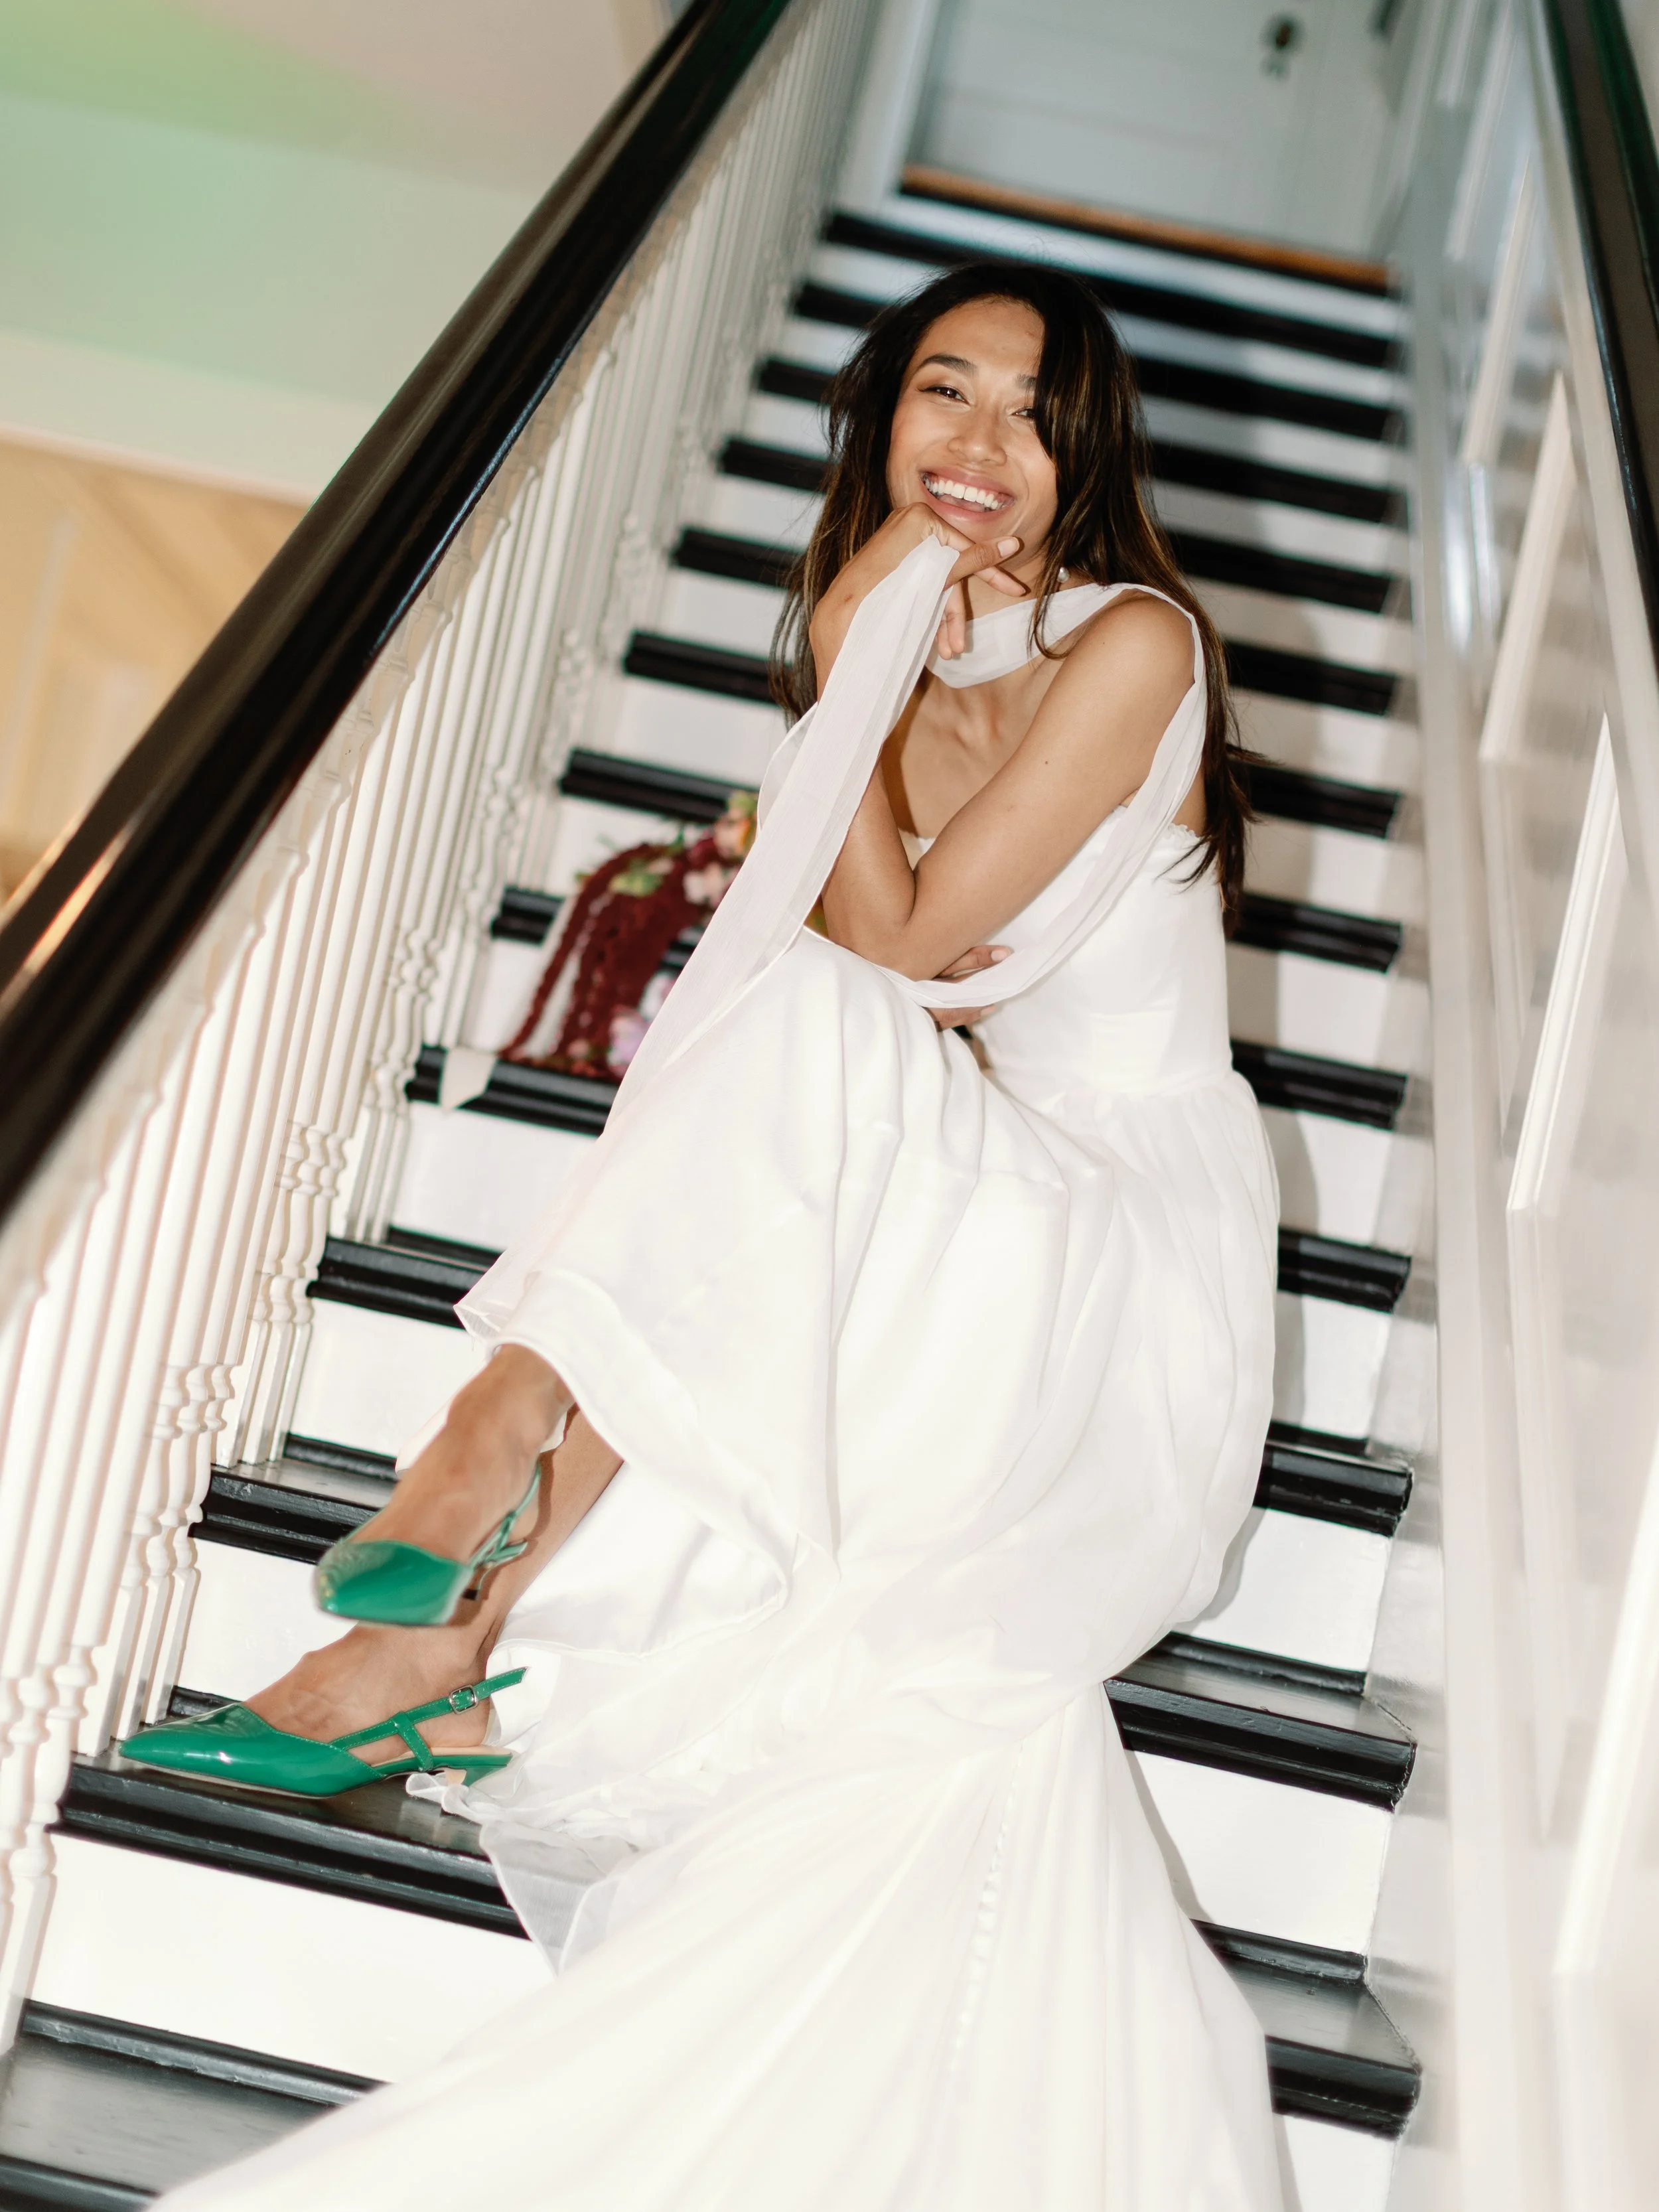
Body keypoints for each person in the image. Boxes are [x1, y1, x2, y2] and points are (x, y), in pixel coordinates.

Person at [133, 261, 1284, 2209]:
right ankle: (459, 1576)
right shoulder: (900, 647)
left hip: (1122, 1260)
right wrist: (865, 664)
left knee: (809, 1023)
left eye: (1031, 407)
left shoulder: (1137, 646)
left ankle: (483, 1461)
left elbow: (901, 948)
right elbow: (826, 977)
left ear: (1087, 453)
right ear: (882, 423)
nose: (981, 444)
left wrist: (845, 665)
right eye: (942, 392)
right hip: (958, 1207)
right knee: (777, 1054)